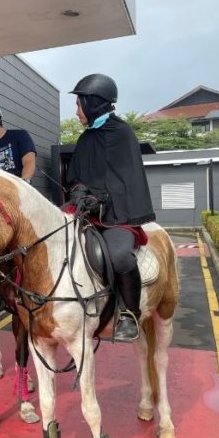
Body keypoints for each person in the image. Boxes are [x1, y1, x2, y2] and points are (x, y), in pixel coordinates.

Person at [65, 73, 155, 341]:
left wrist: (102, 198)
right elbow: (76, 178)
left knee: (119, 256)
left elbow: (128, 181)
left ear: (94, 103)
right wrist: (80, 192)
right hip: (85, 213)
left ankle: (129, 313)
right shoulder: (85, 140)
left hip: (117, 217)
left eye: (79, 103)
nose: (76, 110)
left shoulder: (123, 133)